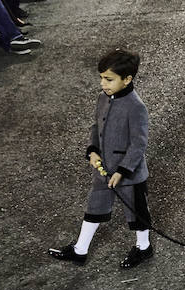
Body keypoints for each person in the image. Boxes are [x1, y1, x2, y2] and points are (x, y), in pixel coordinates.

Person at [48, 49, 154, 269]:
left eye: (109, 79)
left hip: (128, 174)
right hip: (103, 168)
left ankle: (144, 248)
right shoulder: (102, 98)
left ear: (127, 79)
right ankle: (80, 250)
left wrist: (122, 171)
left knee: (137, 213)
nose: (103, 84)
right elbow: (97, 126)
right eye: (101, 78)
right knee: (94, 208)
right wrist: (92, 150)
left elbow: (138, 144)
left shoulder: (136, 107)